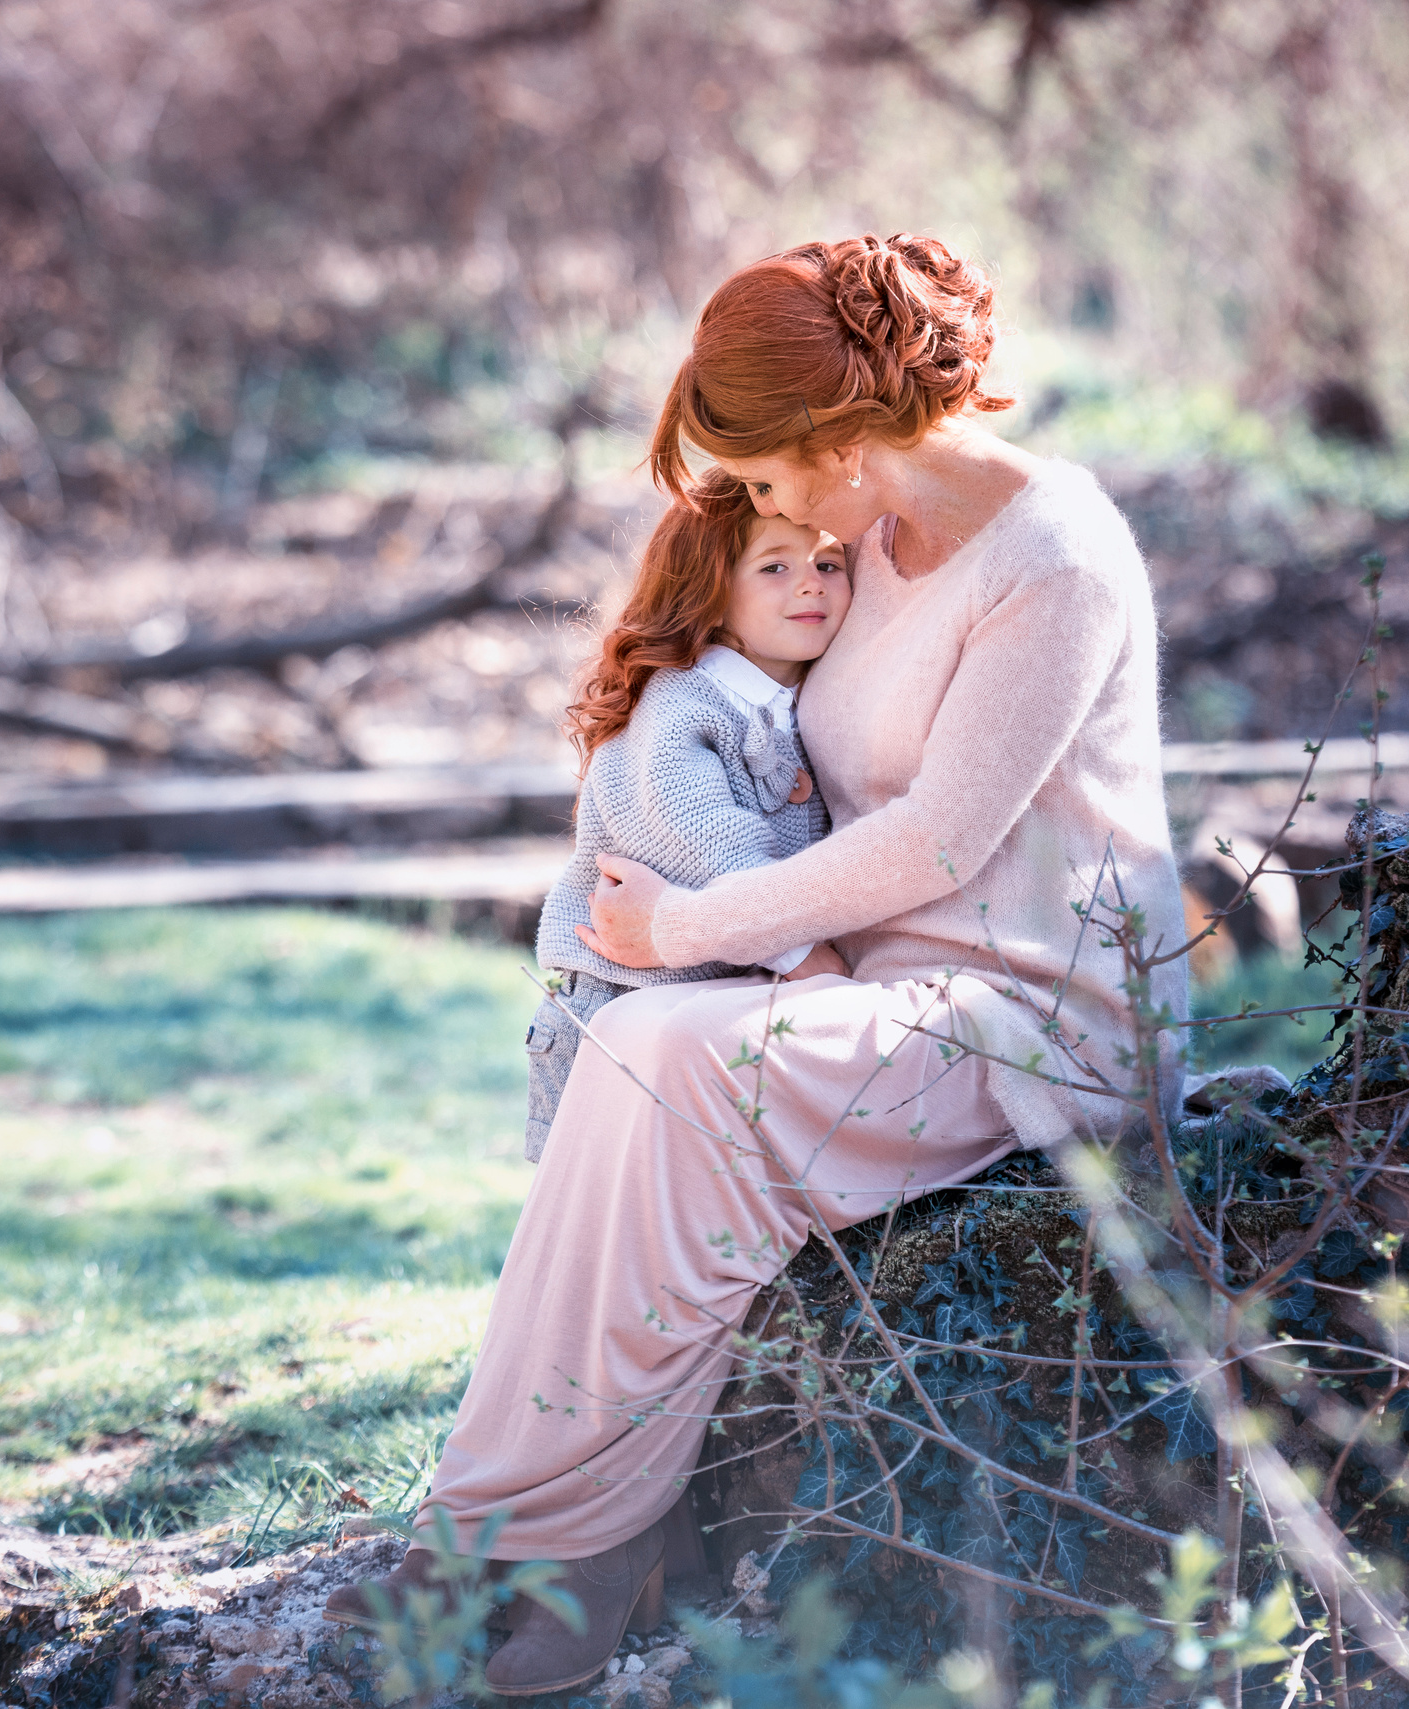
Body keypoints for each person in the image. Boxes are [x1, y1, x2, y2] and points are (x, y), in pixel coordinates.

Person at [327, 232, 1188, 1697]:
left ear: (839, 437)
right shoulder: (871, 547)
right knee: (625, 1049)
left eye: (766, 467)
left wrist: (684, 930)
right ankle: (485, 1518)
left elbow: (933, 840)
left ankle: (588, 1547)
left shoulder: (1057, 553)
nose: (760, 500)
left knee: (682, 1056)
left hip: (1041, 1013)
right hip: (878, 984)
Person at [518, 467, 853, 1164]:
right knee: (601, 1226)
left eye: (829, 561)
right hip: (612, 1010)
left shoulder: (800, 708)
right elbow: (720, 852)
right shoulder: (681, 709)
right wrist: (817, 966)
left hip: (701, 1020)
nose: (811, 582)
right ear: (714, 593)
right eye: (775, 566)